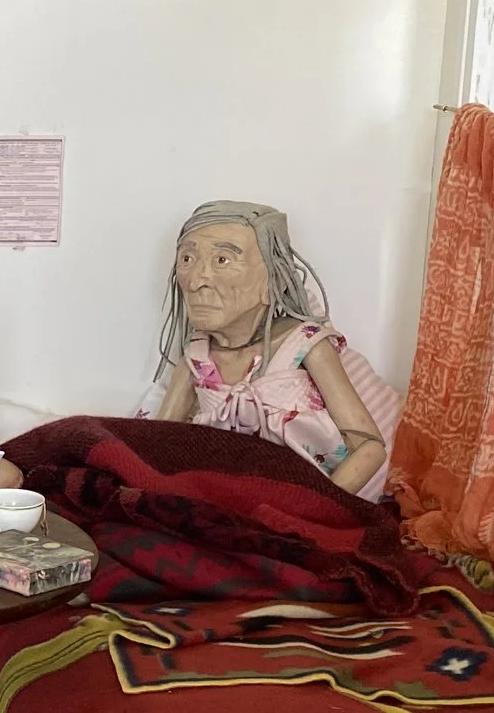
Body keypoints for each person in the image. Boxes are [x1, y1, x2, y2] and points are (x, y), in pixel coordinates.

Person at [149, 201, 400, 499]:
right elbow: (155, 443)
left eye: (222, 260)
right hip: (224, 499)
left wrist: (314, 509)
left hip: (302, 500)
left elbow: (370, 448)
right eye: (187, 258)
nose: (196, 280)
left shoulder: (304, 346)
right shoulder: (196, 358)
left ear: (273, 280)